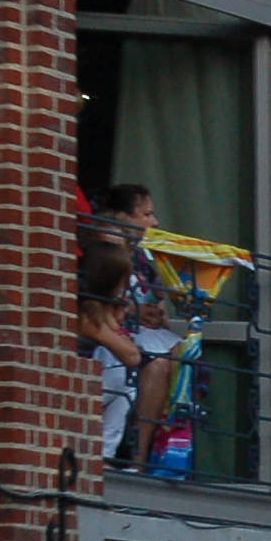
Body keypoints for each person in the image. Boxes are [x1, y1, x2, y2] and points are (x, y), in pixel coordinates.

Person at [79, 184, 182, 465]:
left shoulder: (108, 313)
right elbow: (131, 354)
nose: (155, 221)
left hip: (114, 391)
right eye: (147, 214)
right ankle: (131, 462)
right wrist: (118, 319)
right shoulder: (89, 318)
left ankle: (159, 456)